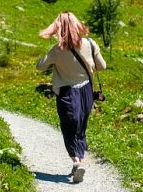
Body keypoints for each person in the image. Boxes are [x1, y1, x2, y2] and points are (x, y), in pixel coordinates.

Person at [36, 11, 107, 183]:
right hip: (87, 92)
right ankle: (79, 160)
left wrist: (56, 59)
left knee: (69, 128)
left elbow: (40, 66)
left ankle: (76, 161)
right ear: (77, 26)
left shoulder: (57, 50)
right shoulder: (90, 44)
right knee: (81, 126)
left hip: (68, 93)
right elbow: (102, 66)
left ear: (58, 29)